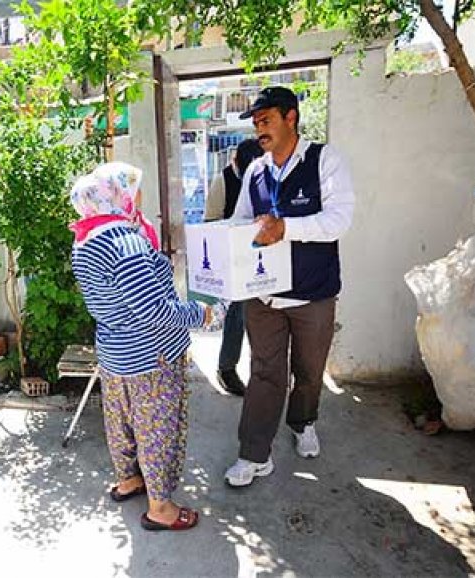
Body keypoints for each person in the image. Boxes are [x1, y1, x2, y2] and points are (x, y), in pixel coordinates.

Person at [70, 162, 221, 531]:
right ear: (116, 195)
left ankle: (129, 481)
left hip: (115, 350)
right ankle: (161, 509)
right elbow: (155, 310)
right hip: (150, 354)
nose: (138, 195)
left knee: (121, 422)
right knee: (157, 429)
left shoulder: (86, 239)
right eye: (133, 188)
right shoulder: (125, 243)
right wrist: (201, 315)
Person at [224, 86, 355, 487]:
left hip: (314, 294)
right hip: (263, 295)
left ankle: (303, 422)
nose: (259, 129)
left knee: (309, 371)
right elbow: (240, 221)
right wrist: (222, 242)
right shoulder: (256, 171)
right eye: (256, 122)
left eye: (266, 120)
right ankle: (254, 454)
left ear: (291, 117)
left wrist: (286, 228)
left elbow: (339, 220)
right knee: (265, 373)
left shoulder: (324, 160)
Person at [204, 138, 264, 396]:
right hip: (232, 258)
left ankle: (265, 373)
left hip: (264, 257)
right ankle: (226, 368)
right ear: (236, 163)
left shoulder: (268, 177)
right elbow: (210, 221)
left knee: (266, 316)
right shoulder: (224, 180)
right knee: (236, 314)